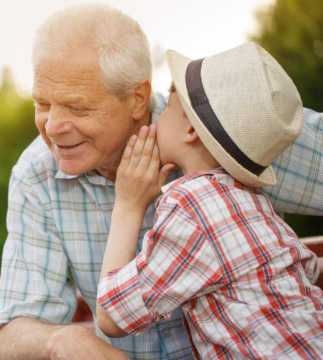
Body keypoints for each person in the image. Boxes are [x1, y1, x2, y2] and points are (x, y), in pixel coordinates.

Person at [0, 3, 323, 359]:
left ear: (137, 99)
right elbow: (16, 325)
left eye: (77, 107)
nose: (52, 127)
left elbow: (114, 313)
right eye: (42, 104)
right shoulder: (37, 174)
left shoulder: (231, 126)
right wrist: (59, 341)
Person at [96, 42, 323, 359]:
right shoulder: (252, 201)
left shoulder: (192, 206)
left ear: (190, 128)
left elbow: (111, 315)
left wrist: (128, 205)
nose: (156, 121)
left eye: (167, 111)